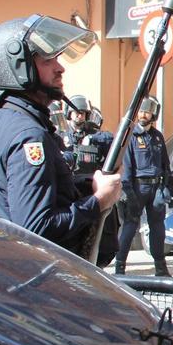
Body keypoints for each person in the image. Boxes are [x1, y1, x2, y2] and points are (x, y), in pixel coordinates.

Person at [0, 15, 121, 251]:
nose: (60, 68)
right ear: (19, 66)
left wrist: (84, 186)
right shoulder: (29, 136)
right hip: (31, 274)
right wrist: (99, 201)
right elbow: (37, 229)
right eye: (48, 60)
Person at [115, 95, 173, 276]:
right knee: (130, 227)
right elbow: (126, 166)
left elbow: (165, 164)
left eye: (147, 111)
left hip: (155, 189)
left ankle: (160, 268)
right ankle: (120, 267)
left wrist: (167, 187)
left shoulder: (157, 137)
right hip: (137, 188)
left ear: (154, 114)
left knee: (158, 228)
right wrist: (128, 193)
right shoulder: (130, 135)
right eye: (141, 111)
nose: (143, 114)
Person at [60, 95, 118, 266]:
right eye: (77, 113)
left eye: (83, 114)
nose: (80, 117)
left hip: (92, 190)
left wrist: (91, 139)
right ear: (69, 114)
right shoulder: (62, 137)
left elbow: (110, 139)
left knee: (102, 238)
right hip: (72, 193)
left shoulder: (94, 135)